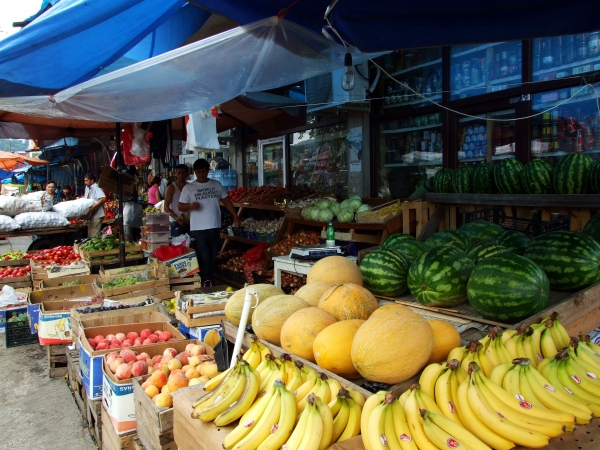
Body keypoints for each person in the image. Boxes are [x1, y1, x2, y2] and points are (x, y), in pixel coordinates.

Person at [179, 158, 241, 285]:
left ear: (208, 171)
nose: (201, 174)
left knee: (213, 256)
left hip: (214, 226)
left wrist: (235, 215)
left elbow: (227, 201)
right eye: (199, 172)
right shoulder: (189, 188)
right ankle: (208, 282)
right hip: (198, 229)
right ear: (195, 172)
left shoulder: (216, 184)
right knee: (204, 257)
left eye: (204, 171)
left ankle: (208, 279)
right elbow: (180, 206)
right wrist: (191, 206)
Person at [164, 164, 190, 237]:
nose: (181, 175)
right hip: (176, 222)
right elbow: (166, 207)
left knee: (191, 246)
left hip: (189, 222)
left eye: (183, 173)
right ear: (175, 174)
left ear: (187, 174)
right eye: (179, 173)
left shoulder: (190, 186)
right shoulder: (171, 187)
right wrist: (176, 217)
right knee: (177, 246)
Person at [84, 173, 106, 238]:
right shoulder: (88, 187)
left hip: (98, 214)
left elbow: (103, 198)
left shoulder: (96, 187)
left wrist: (93, 208)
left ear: (92, 181)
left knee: (94, 235)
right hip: (92, 215)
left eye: (86, 180)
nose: (85, 182)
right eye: (84, 181)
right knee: (90, 234)